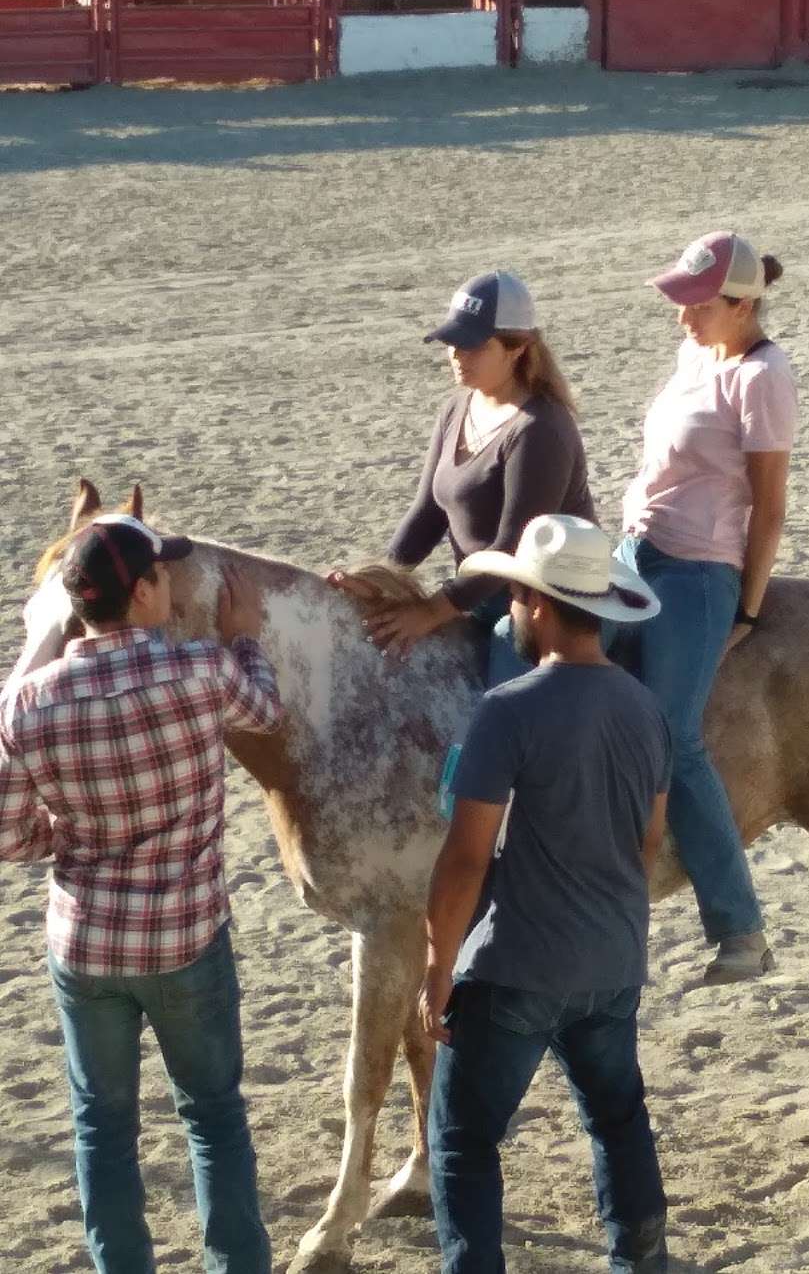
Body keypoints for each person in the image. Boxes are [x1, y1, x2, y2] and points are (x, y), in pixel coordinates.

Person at [0, 514, 283, 1274]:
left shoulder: (26, 704)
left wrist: (68, 838)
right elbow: (267, 711)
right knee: (215, 1115)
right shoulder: (200, 670)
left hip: (85, 941)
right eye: (163, 574)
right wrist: (245, 635)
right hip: (186, 934)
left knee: (101, 1125)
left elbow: (6, 835)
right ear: (146, 589)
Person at [419, 513, 671, 1274]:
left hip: (516, 965)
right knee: (619, 1120)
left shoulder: (507, 709)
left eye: (516, 598)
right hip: (613, 961)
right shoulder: (646, 707)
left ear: (538, 605)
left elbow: (464, 857)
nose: (508, 612)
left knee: (462, 1138)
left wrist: (437, 966)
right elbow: (648, 844)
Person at [618, 230, 798, 984]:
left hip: (698, 574)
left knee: (672, 733)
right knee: (529, 643)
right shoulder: (698, 355)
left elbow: (769, 508)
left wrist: (746, 612)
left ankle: (741, 928)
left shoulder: (762, 377)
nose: (681, 317)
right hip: (632, 552)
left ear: (740, 304)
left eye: (696, 305)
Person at [328, 271, 594, 683]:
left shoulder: (540, 428)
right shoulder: (456, 408)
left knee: (502, 711)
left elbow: (513, 548)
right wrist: (379, 577)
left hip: (541, 603)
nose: (457, 355)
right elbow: (428, 512)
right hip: (476, 594)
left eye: (473, 346)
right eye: (452, 343)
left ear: (518, 348)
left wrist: (430, 612)